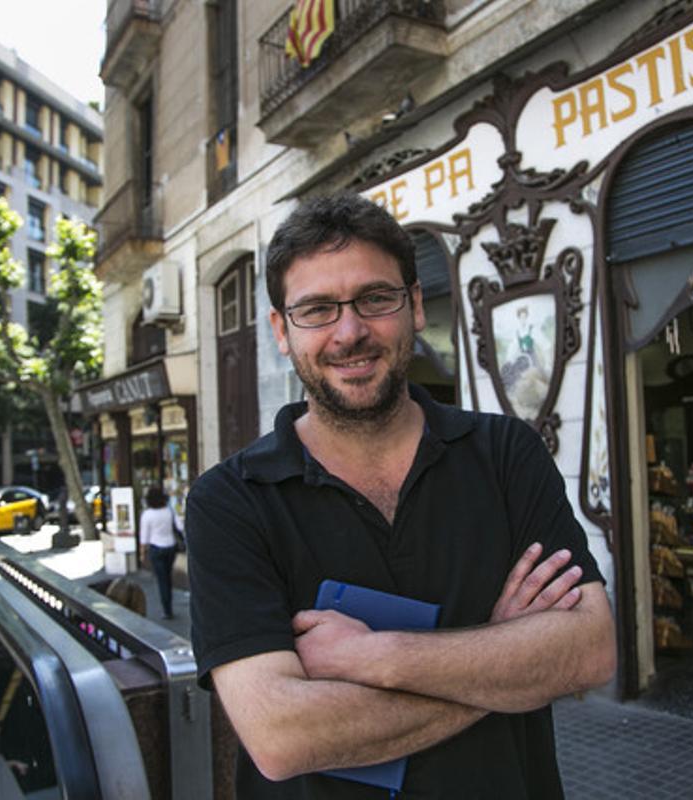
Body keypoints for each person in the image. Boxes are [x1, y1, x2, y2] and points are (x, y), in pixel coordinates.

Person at [187, 193, 616, 797]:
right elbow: (283, 738)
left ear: (414, 305)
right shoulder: (230, 501)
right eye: (316, 310)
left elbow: (589, 651)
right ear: (282, 331)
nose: (350, 332)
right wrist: (504, 659)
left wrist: (376, 658)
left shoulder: (505, 454)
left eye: (376, 298)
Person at [140, 485, 181, 619]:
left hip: (156, 548)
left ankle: (167, 610)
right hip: (170, 547)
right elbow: (180, 527)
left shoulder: (147, 515)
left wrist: (142, 554)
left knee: (162, 579)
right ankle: (168, 603)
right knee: (167, 577)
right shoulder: (169, 511)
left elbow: (144, 538)